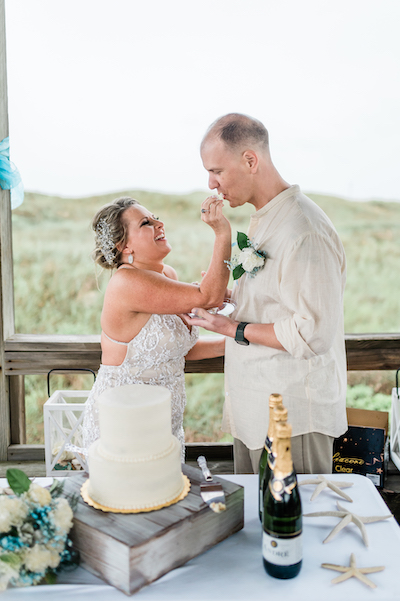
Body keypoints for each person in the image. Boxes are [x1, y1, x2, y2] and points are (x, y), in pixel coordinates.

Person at [188, 113, 347, 475]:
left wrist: (232, 328)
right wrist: (236, 296)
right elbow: (280, 299)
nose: (211, 184)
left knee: (296, 524)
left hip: (293, 418)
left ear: (250, 160)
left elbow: (313, 332)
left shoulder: (303, 231)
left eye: (217, 171)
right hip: (256, 407)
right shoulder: (267, 217)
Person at [80, 195, 231, 461]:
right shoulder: (126, 283)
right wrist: (222, 232)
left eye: (155, 217)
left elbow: (179, 350)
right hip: (125, 420)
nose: (160, 223)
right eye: (146, 223)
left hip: (165, 421)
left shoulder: (167, 275)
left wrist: (237, 342)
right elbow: (209, 297)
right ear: (124, 245)